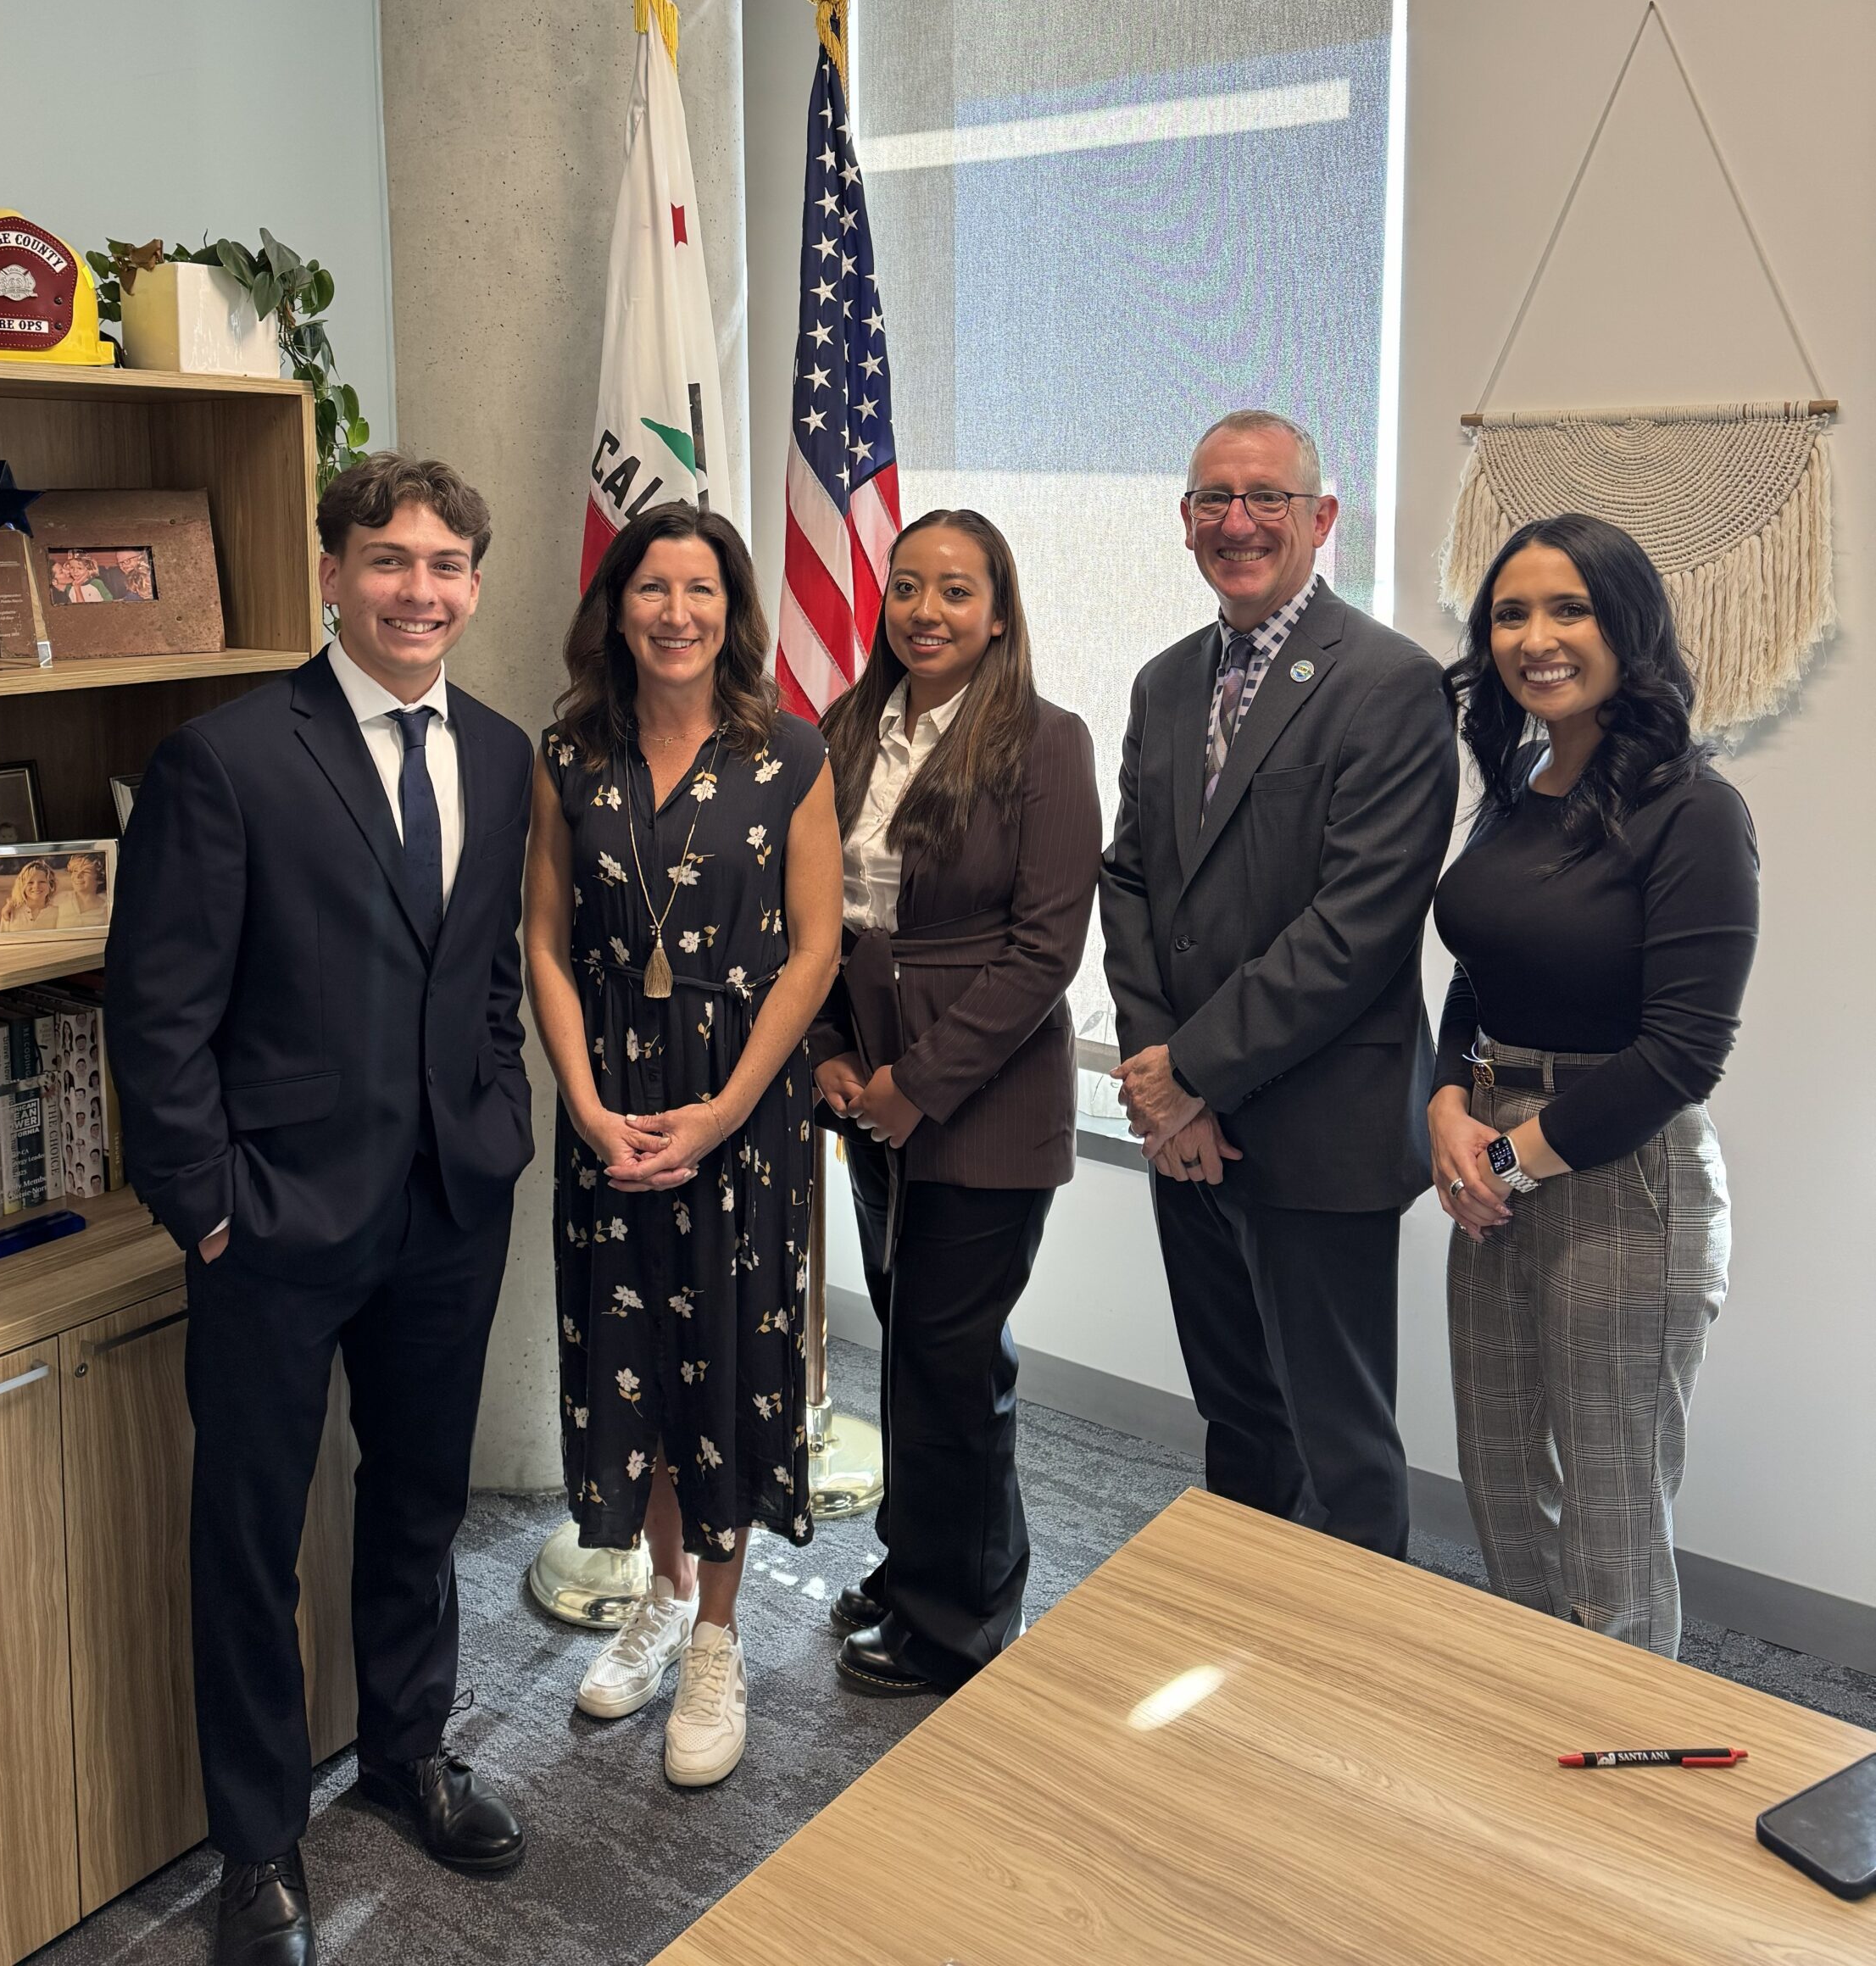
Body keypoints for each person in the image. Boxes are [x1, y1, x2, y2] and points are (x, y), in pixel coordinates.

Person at [108, 454, 535, 1966]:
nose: (419, 590)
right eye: (388, 559)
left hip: (449, 1208)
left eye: (446, 563)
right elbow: (158, 1014)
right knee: (252, 1535)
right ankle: (259, 1847)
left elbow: (486, 971)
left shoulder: (501, 754)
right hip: (274, 1223)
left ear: (474, 582)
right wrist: (208, 1208)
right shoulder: (224, 760)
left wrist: (501, 1120)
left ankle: (408, 1755)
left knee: (420, 1503)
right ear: (334, 574)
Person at [1099, 409, 1458, 1558]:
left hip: (1319, 1130)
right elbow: (1131, 881)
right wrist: (1160, 1082)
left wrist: (1190, 1074)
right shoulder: (1164, 683)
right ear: (1184, 519)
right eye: (1214, 498)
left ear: (1321, 516)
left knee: (1339, 1449)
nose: (1238, 522)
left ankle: (1347, 1664)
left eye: (1267, 498)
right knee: (1240, 1424)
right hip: (1187, 1133)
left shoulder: (1391, 684)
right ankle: (1243, 1647)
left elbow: (1355, 929)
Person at [526, 502, 842, 1788]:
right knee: (634, 1360)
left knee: (727, 1358)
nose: (675, 613)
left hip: (741, 1105)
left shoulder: (791, 752)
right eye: (651, 587)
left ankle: (717, 1634)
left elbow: (814, 951)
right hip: (607, 1101)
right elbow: (545, 942)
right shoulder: (568, 752)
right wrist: (584, 1101)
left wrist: (719, 1113)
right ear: (616, 607)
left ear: (732, 608)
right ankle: (660, 1596)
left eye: (699, 589)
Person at [1431, 514, 1758, 1657]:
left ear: (1627, 626)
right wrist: (1445, 1104)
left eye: (1567, 609)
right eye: (1509, 613)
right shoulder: (1516, 785)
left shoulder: (1695, 810)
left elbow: (1682, 1053)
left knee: (1611, 1514)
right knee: (1500, 1478)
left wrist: (1509, 1158)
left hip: (1624, 1178)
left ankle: (1619, 1747)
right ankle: (1535, 1717)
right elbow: (1477, 971)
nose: (1536, 638)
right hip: (1488, 1154)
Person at [810, 510, 1099, 1696]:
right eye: (906, 585)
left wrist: (914, 1086)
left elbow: (1044, 952)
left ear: (998, 612)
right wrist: (829, 1054)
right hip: (869, 1093)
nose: (925, 610)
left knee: (951, 1355)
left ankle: (959, 1624)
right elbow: (811, 916)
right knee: (914, 1348)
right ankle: (920, 1563)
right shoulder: (844, 730)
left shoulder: (1045, 741)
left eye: (956, 590)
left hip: (983, 1102)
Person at [0, 858, 58, 930]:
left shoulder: (58, 912)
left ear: (51, 885)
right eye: (30, 882)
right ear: (22, 886)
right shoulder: (10, 912)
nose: (36, 886)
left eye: (42, 882)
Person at [55, 850, 109, 928]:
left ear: (100, 878)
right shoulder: (60, 899)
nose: (78, 876)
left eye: (86, 872)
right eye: (75, 871)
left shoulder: (107, 907)